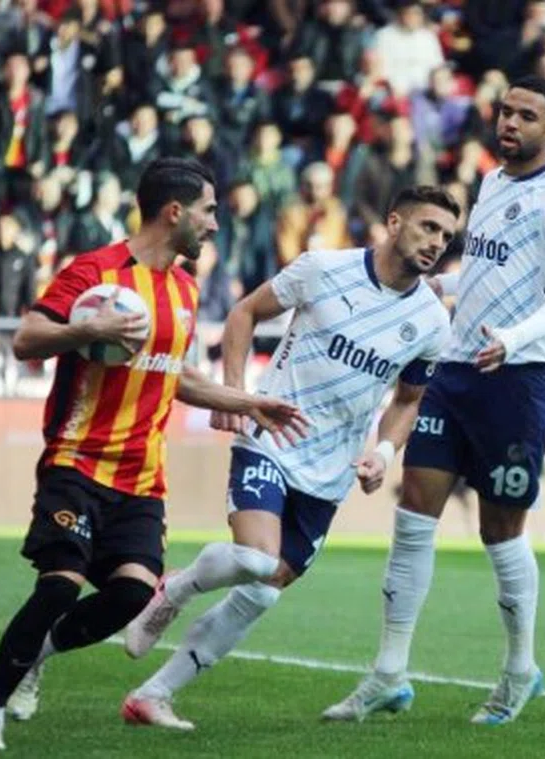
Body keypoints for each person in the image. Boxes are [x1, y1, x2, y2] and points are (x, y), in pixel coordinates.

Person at [0, 158, 308, 751]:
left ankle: (37, 655)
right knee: (59, 586)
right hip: (76, 460)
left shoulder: (185, 289)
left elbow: (176, 376)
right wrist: (86, 331)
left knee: (131, 596)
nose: (214, 224)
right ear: (175, 212)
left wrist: (250, 402)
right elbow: (26, 339)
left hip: (142, 478)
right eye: (208, 211)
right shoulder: (94, 271)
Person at [115, 186, 460, 729]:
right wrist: (234, 396)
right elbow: (244, 313)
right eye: (428, 227)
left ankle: (152, 696)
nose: (437, 242)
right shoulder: (324, 268)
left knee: (261, 594)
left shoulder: (432, 321)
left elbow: (408, 400)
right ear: (394, 222)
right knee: (255, 559)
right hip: (270, 438)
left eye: (446, 235)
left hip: (331, 472)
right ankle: (174, 588)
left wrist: (383, 451)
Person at [324, 76, 545, 726]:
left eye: (526, 116)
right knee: (414, 511)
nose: (510, 123)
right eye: (505, 111)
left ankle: (520, 670)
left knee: (500, 530)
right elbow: (488, 268)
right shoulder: (491, 182)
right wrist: (440, 284)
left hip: (520, 378)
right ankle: (388, 673)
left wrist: (512, 338)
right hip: (455, 370)